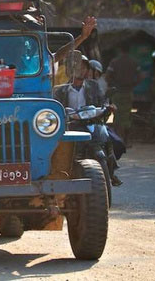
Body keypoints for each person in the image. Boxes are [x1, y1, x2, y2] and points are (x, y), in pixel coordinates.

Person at [53, 55, 122, 186]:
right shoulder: (60, 90)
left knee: (110, 141)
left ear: (87, 70)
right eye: (76, 66)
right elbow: (55, 108)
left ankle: (111, 172)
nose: (80, 70)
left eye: (83, 67)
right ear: (69, 69)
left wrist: (109, 107)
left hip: (93, 124)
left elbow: (103, 102)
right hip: (71, 126)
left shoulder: (94, 86)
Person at [106, 42, 141, 146]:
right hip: (128, 92)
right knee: (127, 116)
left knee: (117, 116)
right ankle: (126, 141)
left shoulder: (114, 62)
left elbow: (107, 76)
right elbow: (139, 77)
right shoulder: (134, 62)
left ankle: (118, 140)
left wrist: (113, 84)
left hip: (117, 92)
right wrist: (132, 85)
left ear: (119, 50)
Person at [53, 16, 98, 85]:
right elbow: (57, 56)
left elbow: (57, 56)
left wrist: (83, 37)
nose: (81, 69)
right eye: (80, 66)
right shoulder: (63, 89)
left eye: (83, 67)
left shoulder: (92, 88)